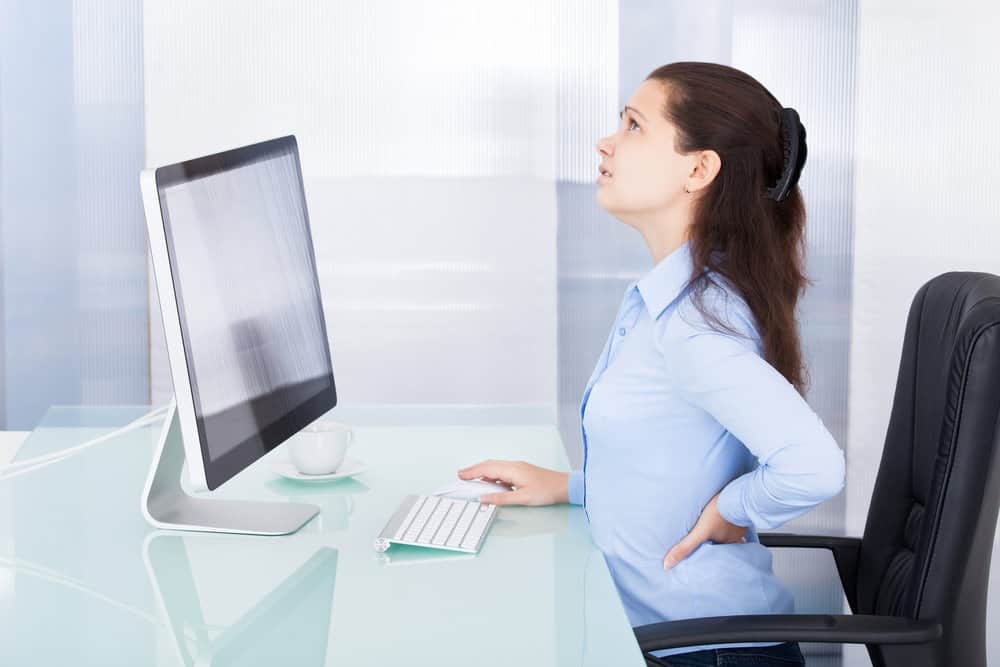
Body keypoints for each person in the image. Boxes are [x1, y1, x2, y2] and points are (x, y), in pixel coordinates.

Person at [457, 62, 846, 666]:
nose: (606, 142)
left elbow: (814, 468)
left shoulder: (695, 325)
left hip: (702, 653)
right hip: (681, 644)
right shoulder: (678, 299)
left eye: (635, 126)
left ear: (699, 169)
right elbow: (672, 472)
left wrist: (732, 509)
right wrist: (570, 488)